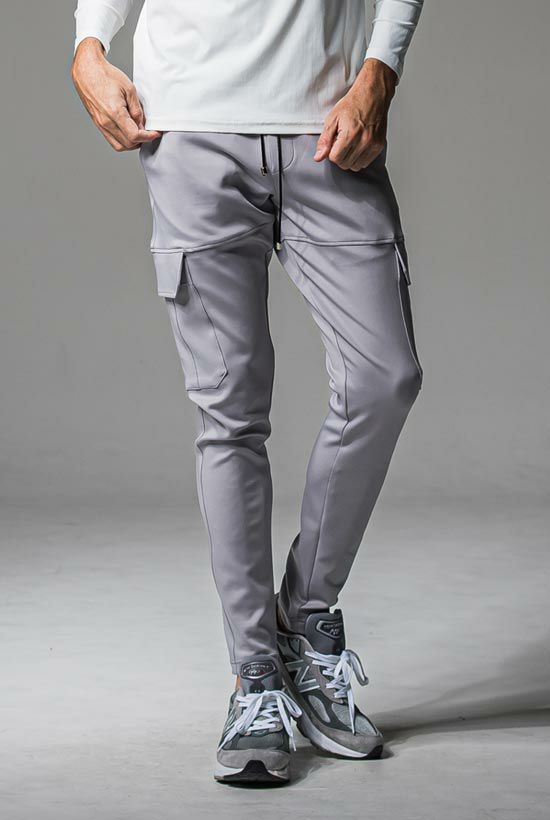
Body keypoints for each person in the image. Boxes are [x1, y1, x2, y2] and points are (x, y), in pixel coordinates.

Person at [72, 0, 424, 785]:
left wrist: (382, 70)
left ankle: (304, 616)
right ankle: (255, 675)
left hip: (329, 124)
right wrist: (88, 45)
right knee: (230, 417)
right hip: (189, 131)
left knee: (385, 377)